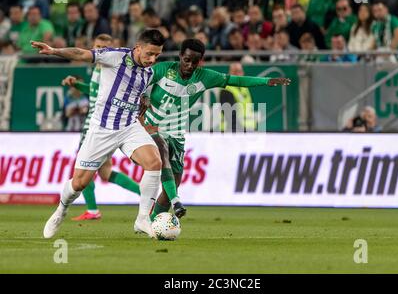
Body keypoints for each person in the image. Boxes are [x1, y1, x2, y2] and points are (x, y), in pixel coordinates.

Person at [31, 29, 170, 239]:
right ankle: (61, 210)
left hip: (128, 127)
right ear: (138, 47)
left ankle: (143, 219)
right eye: (149, 53)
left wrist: (145, 102)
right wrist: (54, 50)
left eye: (157, 55)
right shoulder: (115, 56)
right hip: (102, 128)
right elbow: (80, 54)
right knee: (79, 183)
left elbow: (142, 96)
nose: (152, 59)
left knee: (154, 162)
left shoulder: (148, 74)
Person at [139, 39, 291, 220]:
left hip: (177, 133)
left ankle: (151, 221)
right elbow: (140, 82)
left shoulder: (205, 77)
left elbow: (236, 80)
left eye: (194, 62)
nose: (189, 65)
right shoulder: (163, 69)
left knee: (175, 180)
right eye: (186, 59)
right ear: (180, 56)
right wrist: (143, 97)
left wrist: (267, 81)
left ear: (200, 61)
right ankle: (176, 201)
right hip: (152, 126)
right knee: (162, 153)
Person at [61, 34, 143, 221]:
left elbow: (101, 94)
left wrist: (77, 84)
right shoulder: (98, 69)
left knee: (83, 168)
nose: (100, 50)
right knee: (105, 172)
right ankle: (145, 195)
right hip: (103, 125)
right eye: (97, 46)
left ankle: (92, 209)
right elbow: (94, 91)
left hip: (98, 126)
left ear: (112, 48)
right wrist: (77, 84)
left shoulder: (110, 69)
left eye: (104, 47)